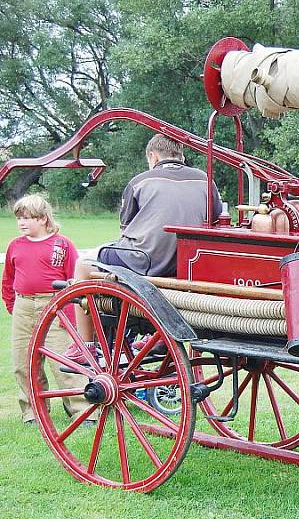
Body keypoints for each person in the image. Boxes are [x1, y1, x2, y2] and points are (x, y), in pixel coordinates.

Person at [67, 133, 223, 361]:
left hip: (144, 260)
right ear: (181, 155)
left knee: (83, 265)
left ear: (153, 156)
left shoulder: (140, 181)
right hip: (188, 265)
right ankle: (161, 335)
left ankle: (86, 346)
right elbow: (216, 221)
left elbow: (126, 228)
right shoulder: (206, 181)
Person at [2, 195, 94, 424]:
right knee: (24, 362)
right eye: (19, 218)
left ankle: (82, 410)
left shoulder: (62, 245)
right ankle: (33, 412)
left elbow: (74, 281)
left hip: (55, 305)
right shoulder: (15, 245)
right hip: (24, 306)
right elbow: (8, 280)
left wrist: (69, 314)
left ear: (43, 218)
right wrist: (14, 305)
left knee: (63, 361)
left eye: (28, 218)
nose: (22, 223)